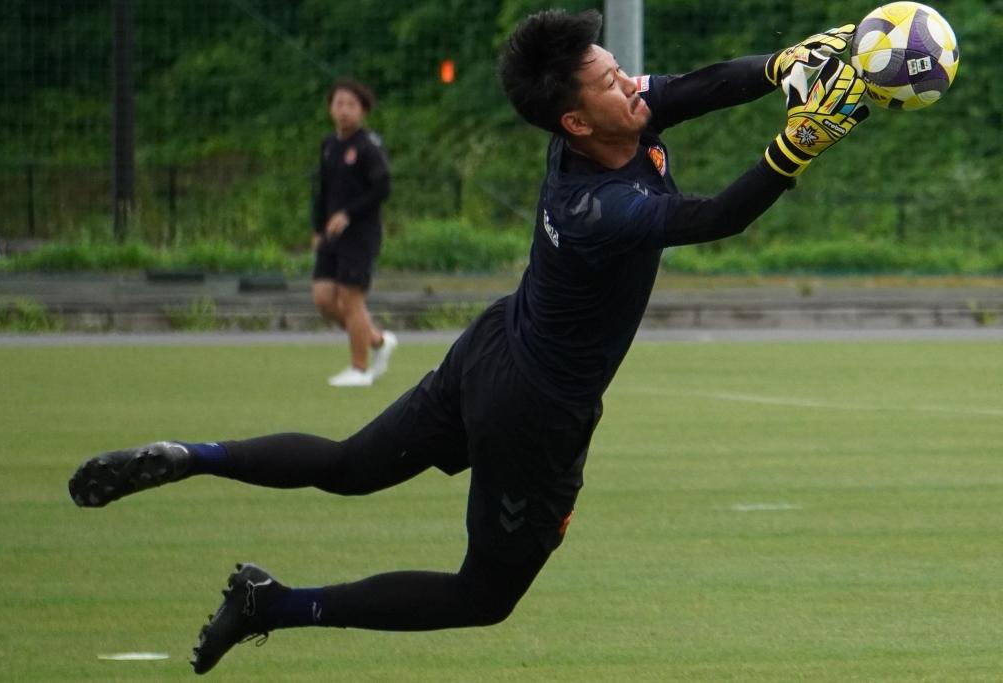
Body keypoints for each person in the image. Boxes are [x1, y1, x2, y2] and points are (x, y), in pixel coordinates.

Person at [68, 10, 868, 676]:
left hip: (494, 345)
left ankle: (194, 455)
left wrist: (783, 65)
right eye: (612, 81)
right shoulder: (596, 206)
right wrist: (798, 144)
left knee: (349, 466)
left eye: (620, 70)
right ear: (575, 120)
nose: (633, 83)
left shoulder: (605, 118)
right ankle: (272, 605)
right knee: (483, 595)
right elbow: (716, 217)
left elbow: (697, 86)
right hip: (534, 413)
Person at [311, 77, 397, 387]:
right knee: (323, 298)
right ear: (330, 108)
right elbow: (321, 191)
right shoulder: (329, 145)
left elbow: (382, 187)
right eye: (339, 103)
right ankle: (377, 340)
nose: (344, 110)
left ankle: (359, 370)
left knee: (351, 299)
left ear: (363, 110)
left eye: (351, 104)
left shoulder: (368, 146)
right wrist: (318, 228)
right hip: (331, 235)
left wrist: (348, 213)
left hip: (360, 233)